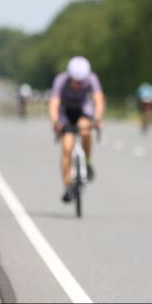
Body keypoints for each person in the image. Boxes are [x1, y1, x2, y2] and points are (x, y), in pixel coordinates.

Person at [49, 57, 105, 203]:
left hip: (82, 109)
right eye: (75, 81)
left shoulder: (92, 79)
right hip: (65, 112)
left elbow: (98, 99)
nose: (77, 85)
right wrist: (55, 121)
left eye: (81, 82)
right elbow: (54, 102)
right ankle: (68, 186)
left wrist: (98, 119)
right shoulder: (61, 80)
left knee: (84, 129)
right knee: (67, 148)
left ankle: (87, 161)